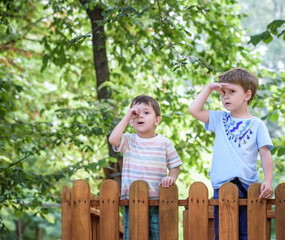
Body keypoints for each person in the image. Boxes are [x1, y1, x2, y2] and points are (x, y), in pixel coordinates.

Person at [189, 67, 273, 240]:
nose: (225, 96)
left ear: (247, 95)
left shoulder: (257, 124)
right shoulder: (219, 119)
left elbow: (265, 154)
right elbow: (194, 110)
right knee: (224, 233)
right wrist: (209, 88)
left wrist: (269, 181)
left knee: (246, 234)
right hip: (222, 186)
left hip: (248, 186)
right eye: (223, 93)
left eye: (232, 92)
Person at [109, 94, 182, 240]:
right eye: (136, 113)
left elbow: (175, 166)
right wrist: (127, 116)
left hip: (157, 200)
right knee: (134, 236)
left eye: (146, 112)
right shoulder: (128, 140)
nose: (140, 116)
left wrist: (171, 178)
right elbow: (113, 139)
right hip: (132, 200)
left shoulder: (164, 143)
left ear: (157, 120)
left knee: (158, 236)